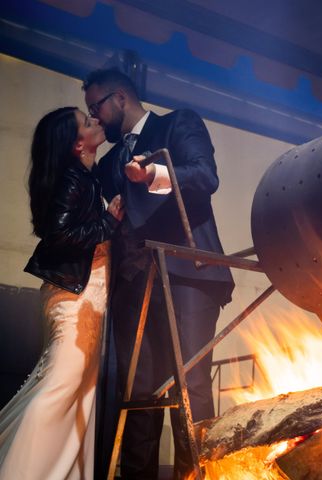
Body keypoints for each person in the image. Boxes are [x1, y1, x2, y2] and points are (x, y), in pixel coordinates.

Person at [83, 69, 234, 479]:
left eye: (96, 108)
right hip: (131, 285)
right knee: (138, 395)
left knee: (192, 386)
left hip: (186, 276)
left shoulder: (177, 124)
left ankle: (198, 475)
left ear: (120, 98)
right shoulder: (109, 161)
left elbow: (205, 177)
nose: (95, 118)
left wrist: (152, 175)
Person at [0, 107, 124, 479]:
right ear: (77, 144)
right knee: (62, 385)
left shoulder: (84, 178)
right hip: (75, 296)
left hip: (88, 294)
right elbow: (59, 236)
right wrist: (108, 222)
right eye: (88, 123)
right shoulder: (74, 180)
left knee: (81, 390)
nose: (96, 122)